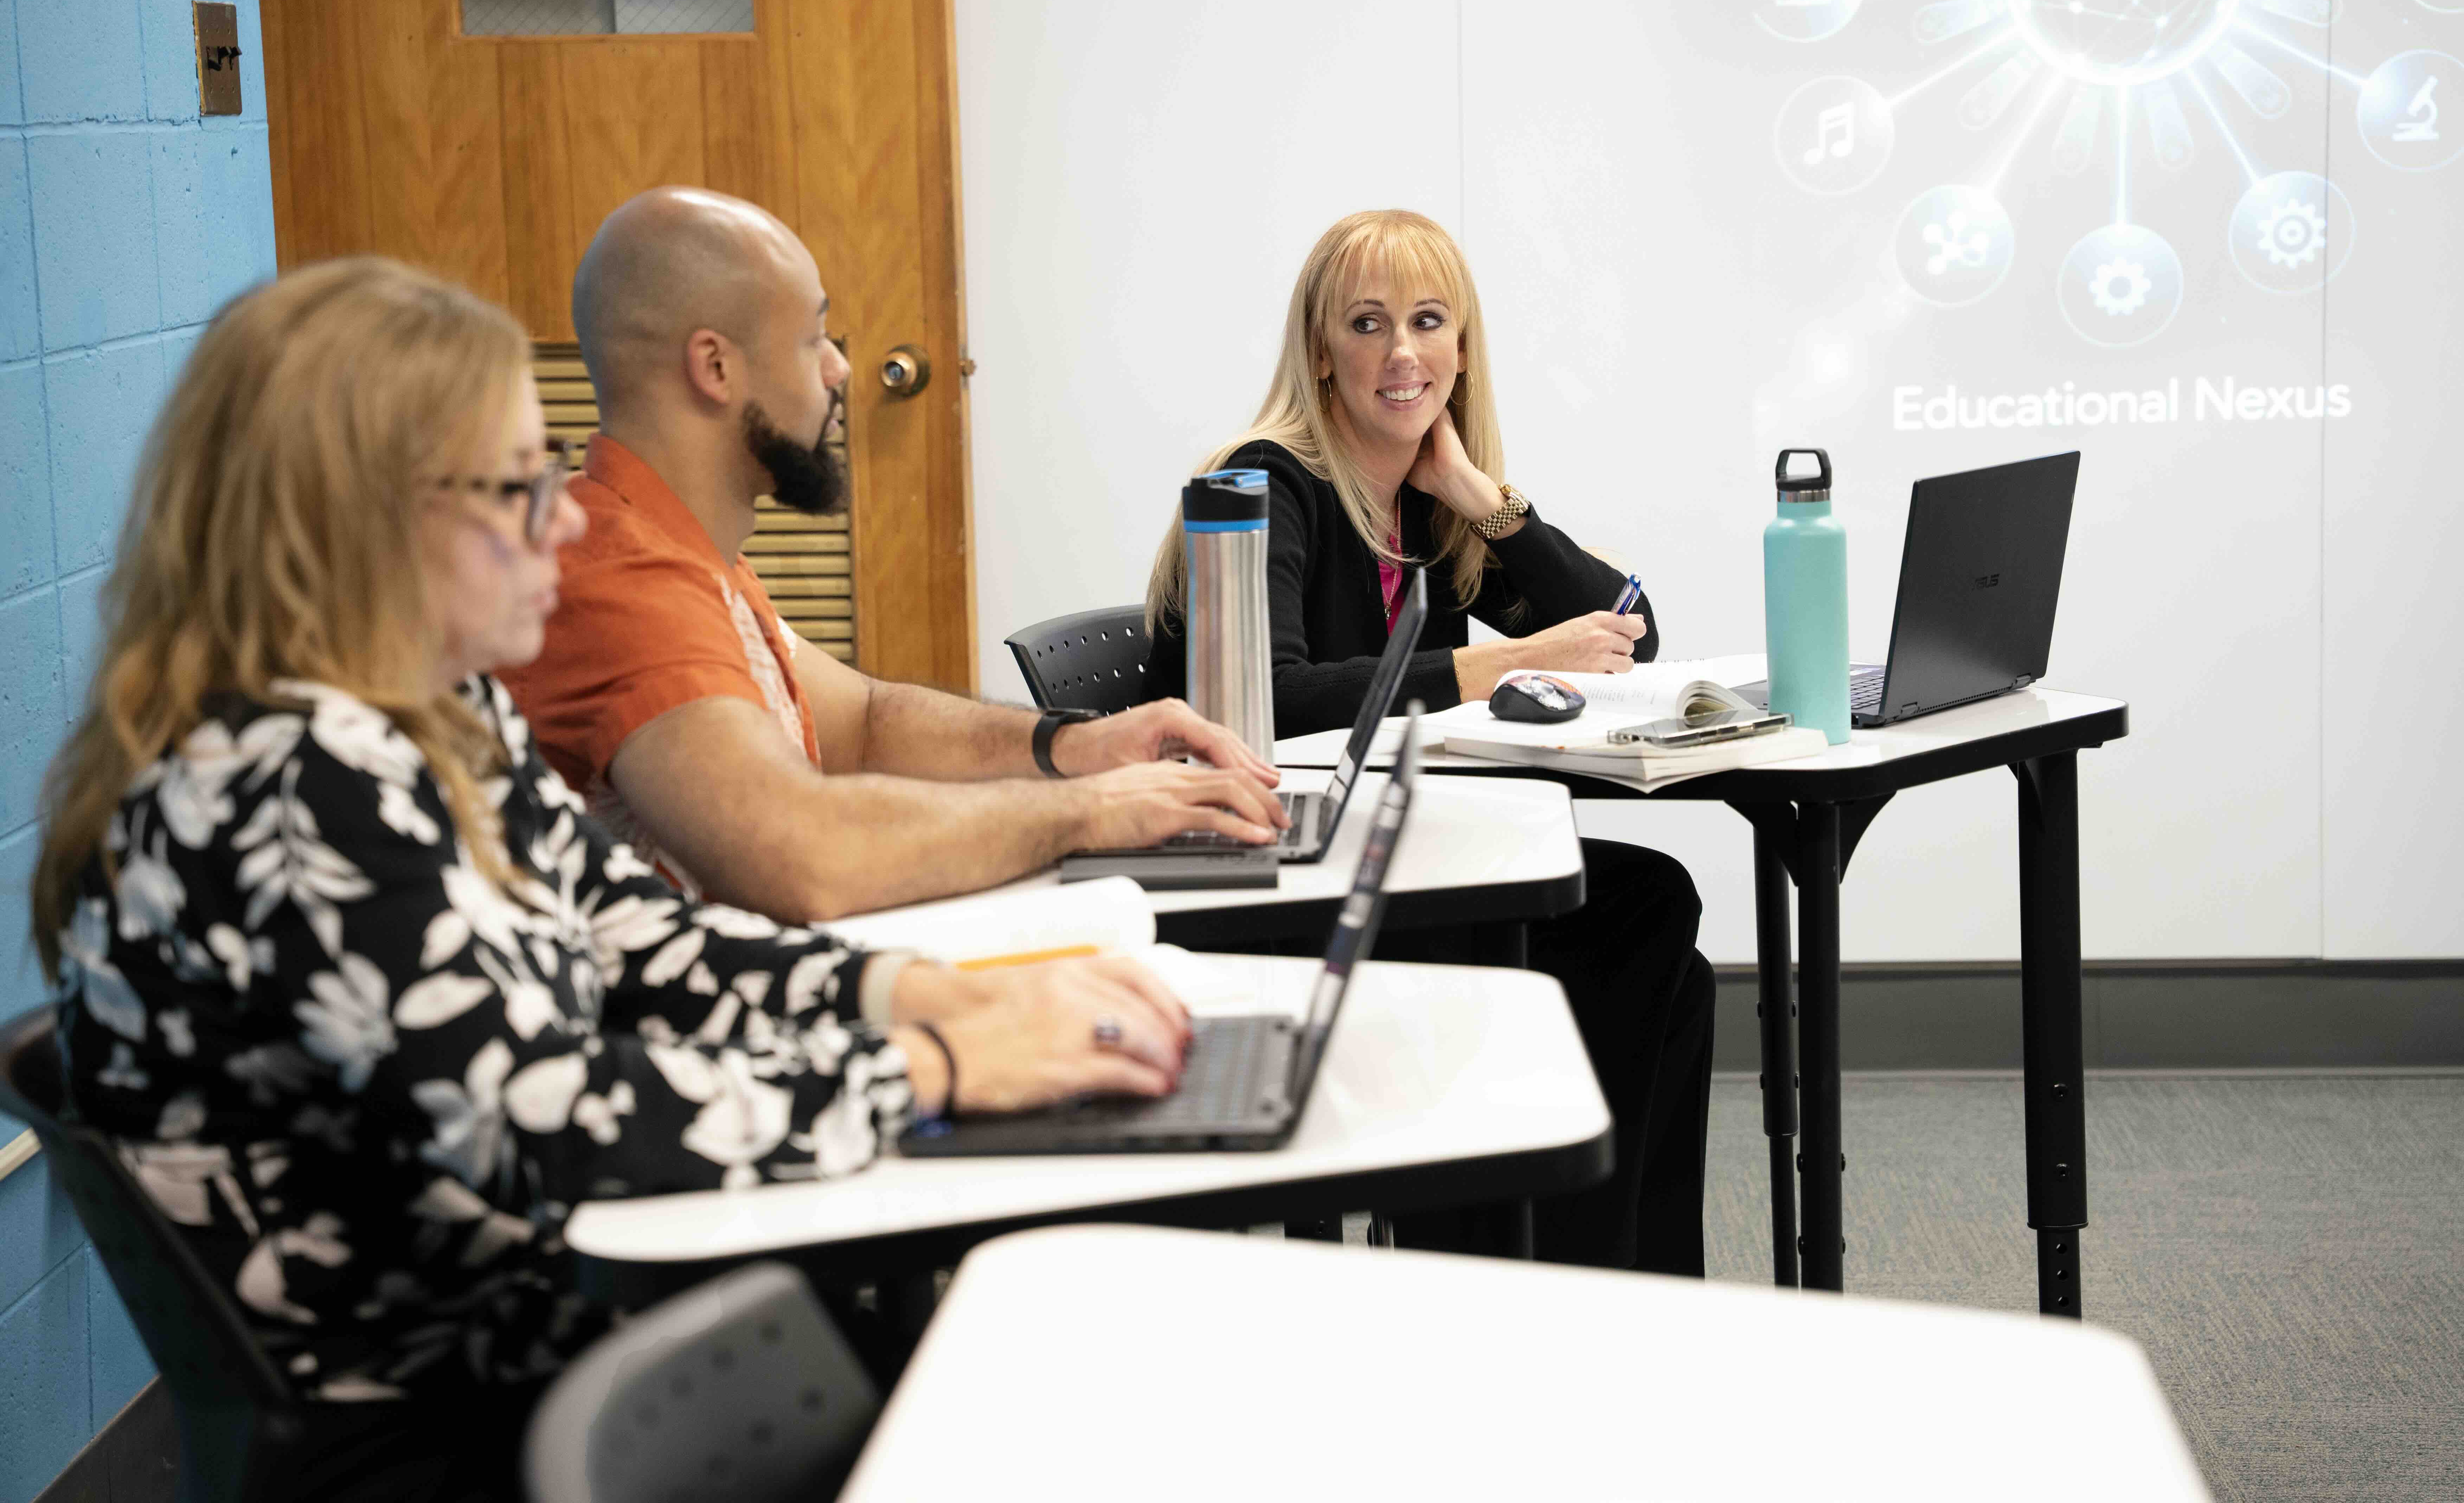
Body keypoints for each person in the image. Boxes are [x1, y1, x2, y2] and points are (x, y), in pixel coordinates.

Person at [29, 259, 1194, 1500]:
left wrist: (924, 998)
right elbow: (553, 1123)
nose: (568, 515)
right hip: (440, 1426)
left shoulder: (437, 716)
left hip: (542, 1344)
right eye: (520, 483)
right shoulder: (288, 779)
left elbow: (646, 944)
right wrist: (942, 1069)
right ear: (368, 516)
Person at [1142, 209, 1714, 1275]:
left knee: (1665, 945)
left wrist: (1480, 497)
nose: (1403, 354)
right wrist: (1499, 663)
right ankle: (1524, 1263)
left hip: (1393, 856)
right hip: (1287, 885)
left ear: (1462, 346)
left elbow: (1632, 629)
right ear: (1323, 349)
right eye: (1368, 324)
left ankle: (1613, 1275)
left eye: (1428, 322)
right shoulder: (1268, 484)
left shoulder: (1424, 501)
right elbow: (1268, 704)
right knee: (1640, 920)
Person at [498, 187, 1285, 922]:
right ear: (715, 367)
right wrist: (1094, 810)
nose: (840, 368)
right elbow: (804, 852)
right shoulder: (622, 575)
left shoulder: (682, 549)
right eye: (812, 339)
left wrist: (1076, 747)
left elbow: (868, 723)